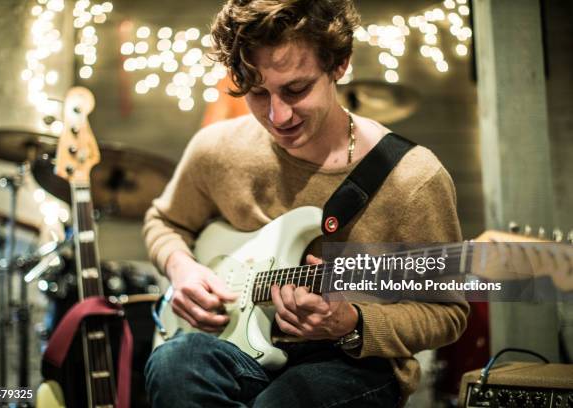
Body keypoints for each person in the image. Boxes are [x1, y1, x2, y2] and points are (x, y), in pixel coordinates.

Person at [143, 0, 468, 406]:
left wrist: (352, 321)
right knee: (173, 363)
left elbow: (447, 313)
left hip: (352, 360)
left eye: (296, 89)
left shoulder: (413, 178)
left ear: (340, 65)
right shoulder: (216, 149)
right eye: (258, 93)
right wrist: (182, 268)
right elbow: (165, 221)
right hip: (235, 345)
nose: (278, 116)